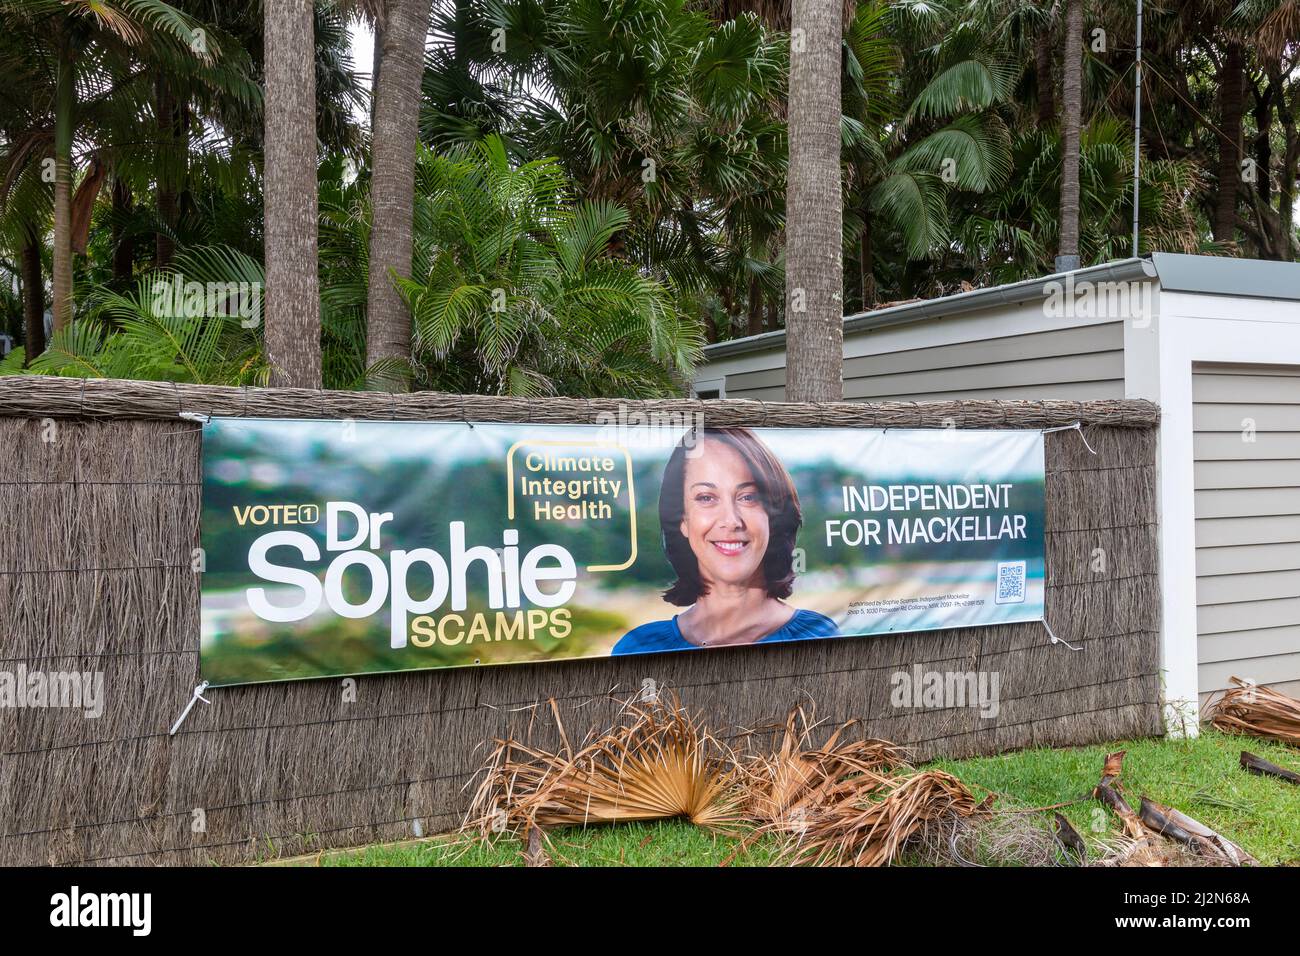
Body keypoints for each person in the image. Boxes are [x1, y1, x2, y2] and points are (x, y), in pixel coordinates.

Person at [612, 427, 837, 655]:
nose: (731, 521)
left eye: (748, 497)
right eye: (706, 498)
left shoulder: (818, 635)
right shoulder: (638, 648)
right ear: (681, 519)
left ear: (773, 516)